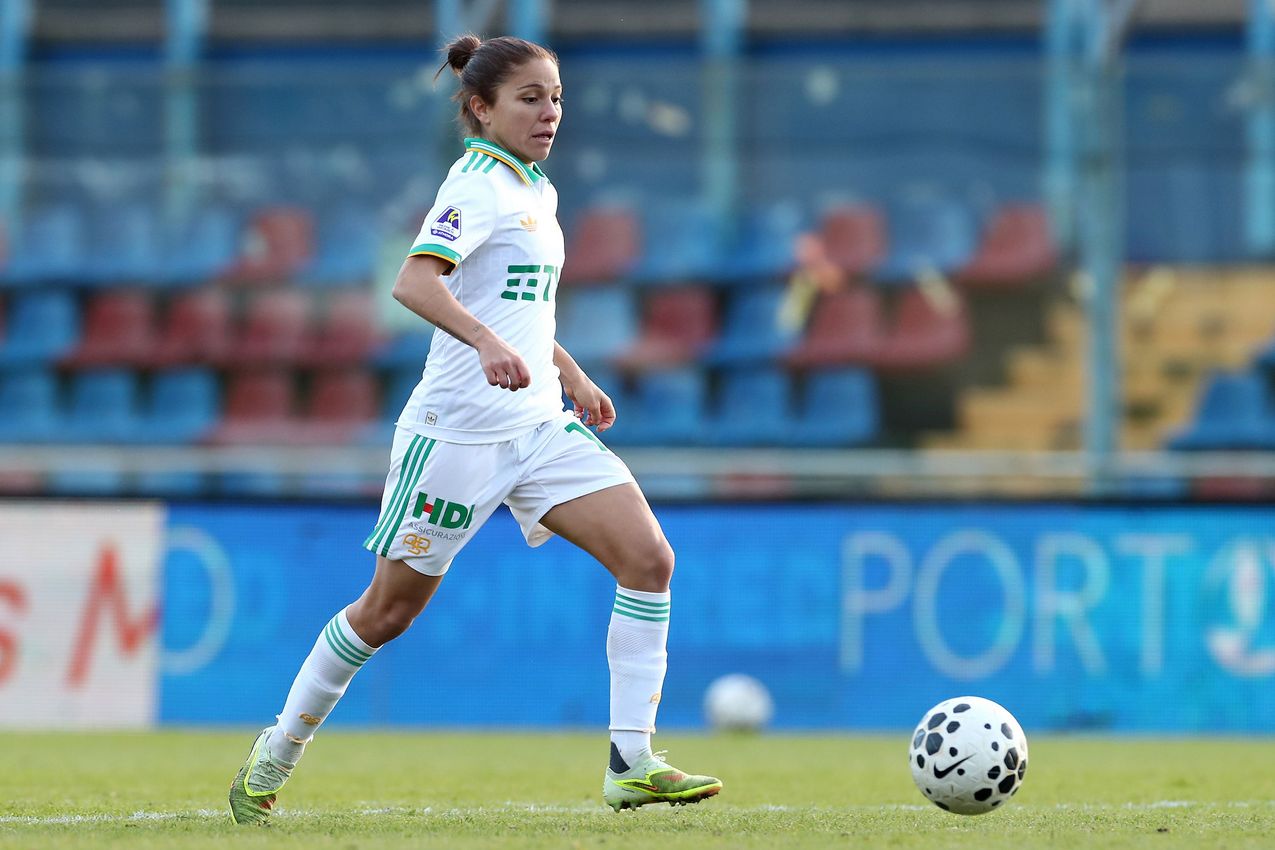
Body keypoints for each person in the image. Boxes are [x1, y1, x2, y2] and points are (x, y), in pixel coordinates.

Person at [228, 33, 722, 825]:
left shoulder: (537, 191)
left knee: (648, 559)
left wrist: (568, 371)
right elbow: (414, 282)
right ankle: (278, 748)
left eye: (555, 97)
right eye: (529, 98)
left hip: (536, 426)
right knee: (387, 613)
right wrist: (486, 344)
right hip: (455, 436)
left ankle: (631, 762)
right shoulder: (476, 183)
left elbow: (515, 306)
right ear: (480, 107)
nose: (549, 112)